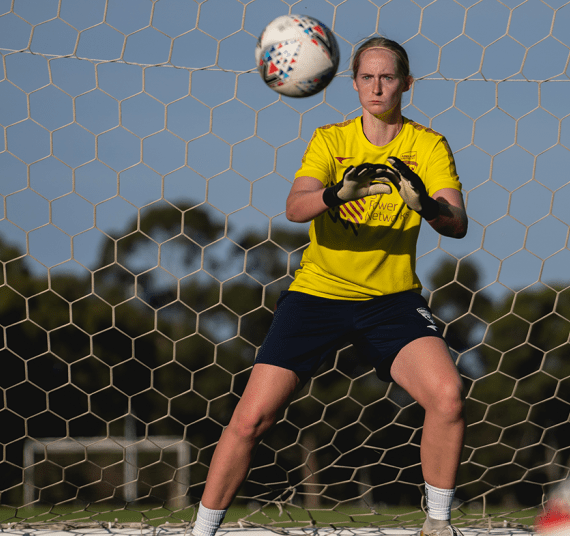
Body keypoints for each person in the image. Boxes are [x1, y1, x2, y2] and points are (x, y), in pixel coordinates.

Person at [192, 37, 469, 536]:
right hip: (317, 296)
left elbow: (457, 221)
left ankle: (438, 525)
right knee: (252, 418)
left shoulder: (428, 145)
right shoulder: (331, 140)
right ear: (354, 82)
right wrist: (337, 193)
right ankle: (202, 530)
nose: (377, 86)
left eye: (388, 77)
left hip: (391, 302)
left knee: (447, 396)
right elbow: (295, 208)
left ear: (407, 84)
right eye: (367, 77)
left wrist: (423, 203)